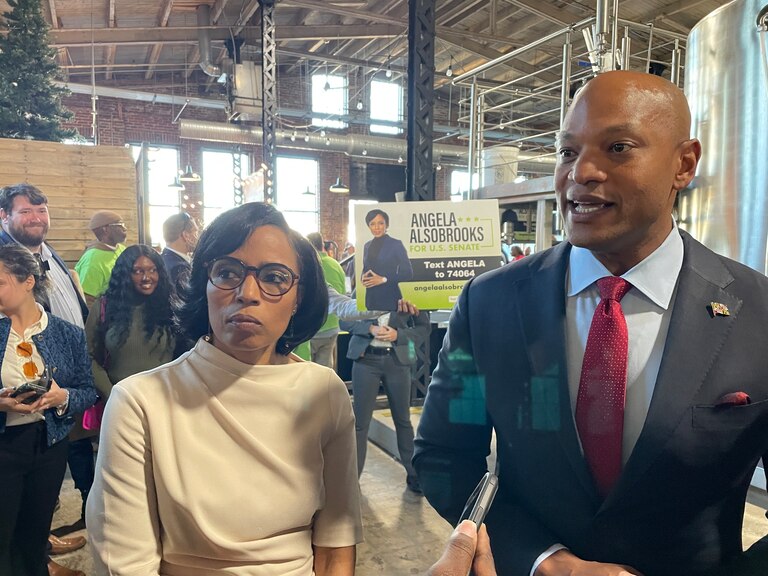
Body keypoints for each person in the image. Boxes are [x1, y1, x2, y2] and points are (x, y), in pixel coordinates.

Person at [414, 70, 768, 576]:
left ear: (683, 163)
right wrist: (544, 561)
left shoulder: (758, 313)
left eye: (618, 147)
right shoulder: (490, 306)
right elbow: (445, 457)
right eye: (567, 151)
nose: (581, 172)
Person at [86, 202, 361, 575]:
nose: (248, 292)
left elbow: (335, 547)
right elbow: (126, 563)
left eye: (275, 277)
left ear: (299, 298)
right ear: (204, 285)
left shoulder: (324, 391)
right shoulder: (141, 401)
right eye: (228, 272)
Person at [0, 184, 93, 573]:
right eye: (26, 212)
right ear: (5, 217)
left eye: (42, 209)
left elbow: (86, 388)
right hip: (6, 442)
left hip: (49, 437)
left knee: (34, 524)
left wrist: (62, 398)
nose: (37, 217)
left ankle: (41, 560)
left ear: (28, 282)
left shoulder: (49, 256)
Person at [342, 309, 429, 493]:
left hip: (397, 362)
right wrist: (370, 328)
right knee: (359, 424)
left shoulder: (407, 292)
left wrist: (399, 334)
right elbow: (345, 321)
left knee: (403, 420)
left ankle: (413, 474)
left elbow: (424, 327)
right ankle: (351, 479)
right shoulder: (366, 289)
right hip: (366, 361)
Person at [84, 245, 177, 402]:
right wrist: (111, 392)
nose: (147, 277)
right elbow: (88, 356)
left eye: (153, 270)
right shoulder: (104, 307)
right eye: (138, 271)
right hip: (120, 401)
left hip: (165, 400)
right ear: (125, 274)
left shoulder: (171, 307)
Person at [307, 232, 347, 369]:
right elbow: (342, 294)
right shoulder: (336, 265)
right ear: (323, 245)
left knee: (307, 371)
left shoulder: (308, 264)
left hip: (311, 329)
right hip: (332, 327)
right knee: (326, 368)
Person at [361, 208, 412, 311]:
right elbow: (366, 268)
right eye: (372, 224)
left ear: (386, 225)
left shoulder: (396, 244)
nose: (376, 227)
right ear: (368, 226)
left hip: (390, 299)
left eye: (380, 223)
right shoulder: (367, 246)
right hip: (371, 300)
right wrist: (363, 277)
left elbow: (408, 273)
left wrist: (384, 279)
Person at [74, 210, 127, 305]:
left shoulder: (121, 249)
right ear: (105, 229)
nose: (125, 228)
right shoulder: (93, 260)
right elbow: (87, 300)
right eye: (120, 225)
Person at [161, 212, 198, 290]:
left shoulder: (164, 258)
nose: (198, 237)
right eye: (195, 232)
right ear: (185, 235)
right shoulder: (179, 267)